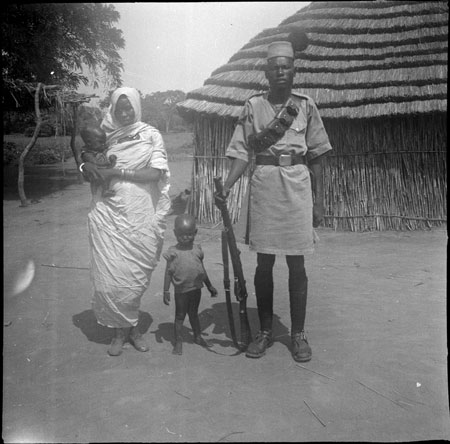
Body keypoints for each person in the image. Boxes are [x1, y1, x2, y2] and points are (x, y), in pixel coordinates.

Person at [215, 40, 332, 362]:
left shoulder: (305, 106)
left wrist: (319, 202)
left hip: (297, 186)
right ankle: (265, 331)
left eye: (286, 66)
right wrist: (227, 184)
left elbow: (319, 155)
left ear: (294, 70)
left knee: (297, 262)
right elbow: (241, 152)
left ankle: (298, 334)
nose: (281, 71)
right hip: (265, 185)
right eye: (275, 66)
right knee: (263, 262)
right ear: (266, 72)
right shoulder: (253, 107)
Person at [79, 87, 171, 357]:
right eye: (120, 108)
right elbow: (86, 159)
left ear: (137, 107)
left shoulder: (151, 134)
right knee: (111, 277)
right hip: (108, 213)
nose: (125, 112)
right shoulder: (102, 134)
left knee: (134, 276)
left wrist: (117, 171)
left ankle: (132, 330)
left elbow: (155, 172)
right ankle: (120, 333)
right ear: (113, 109)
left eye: (129, 107)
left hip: (139, 213)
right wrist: (87, 167)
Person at [162, 214, 218, 355]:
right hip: (181, 291)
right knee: (180, 315)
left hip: (196, 288)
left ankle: (198, 337)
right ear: (175, 233)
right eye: (181, 234)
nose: (185, 237)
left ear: (195, 233)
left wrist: (210, 286)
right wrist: (166, 290)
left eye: (189, 234)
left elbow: (202, 270)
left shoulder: (197, 250)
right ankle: (178, 341)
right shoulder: (173, 253)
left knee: (193, 314)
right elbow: (168, 273)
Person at [79, 125, 117, 197]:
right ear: (89, 142)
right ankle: (105, 191)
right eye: (101, 142)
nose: (104, 144)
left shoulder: (96, 149)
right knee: (104, 176)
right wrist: (109, 162)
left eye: (104, 142)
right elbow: (96, 163)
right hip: (98, 173)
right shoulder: (87, 154)